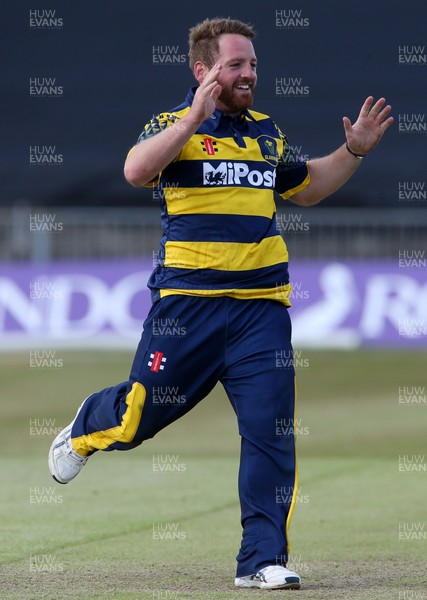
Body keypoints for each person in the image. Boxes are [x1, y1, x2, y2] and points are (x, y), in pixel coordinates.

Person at [49, 17, 393, 590]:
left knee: (271, 432)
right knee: (137, 418)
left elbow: (305, 187)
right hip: (188, 311)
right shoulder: (171, 126)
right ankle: (86, 425)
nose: (249, 74)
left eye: (253, 64)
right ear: (203, 70)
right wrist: (192, 120)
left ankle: (261, 560)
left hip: (261, 312)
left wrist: (353, 151)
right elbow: (136, 171)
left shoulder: (265, 133)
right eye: (236, 65)